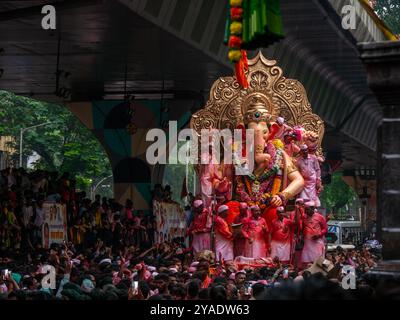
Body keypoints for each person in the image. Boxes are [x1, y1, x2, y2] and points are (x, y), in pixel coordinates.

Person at [300, 201, 327, 268]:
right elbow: (301, 228)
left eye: (307, 209)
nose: (305, 211)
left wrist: (319, 235)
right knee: (306, 261)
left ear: (312, 209)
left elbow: (325, 229)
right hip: (307, 243)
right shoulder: (304, 217)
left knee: (317, 261)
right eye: (305, 209)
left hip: (317, 243)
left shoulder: (320, 217)